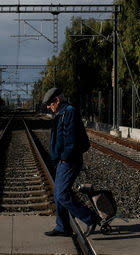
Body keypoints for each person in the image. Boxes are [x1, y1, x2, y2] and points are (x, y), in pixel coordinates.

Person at [42, 87, 99, 237]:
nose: (48, 107)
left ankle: (91, 218)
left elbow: (70, 140)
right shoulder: (62, 113)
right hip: (64, 160)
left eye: (50, 103)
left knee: (61, 194)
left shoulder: (69, 112)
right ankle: (63, 227)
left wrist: (64, 156)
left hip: (69, 161)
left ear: (57, 100)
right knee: (58, 195)